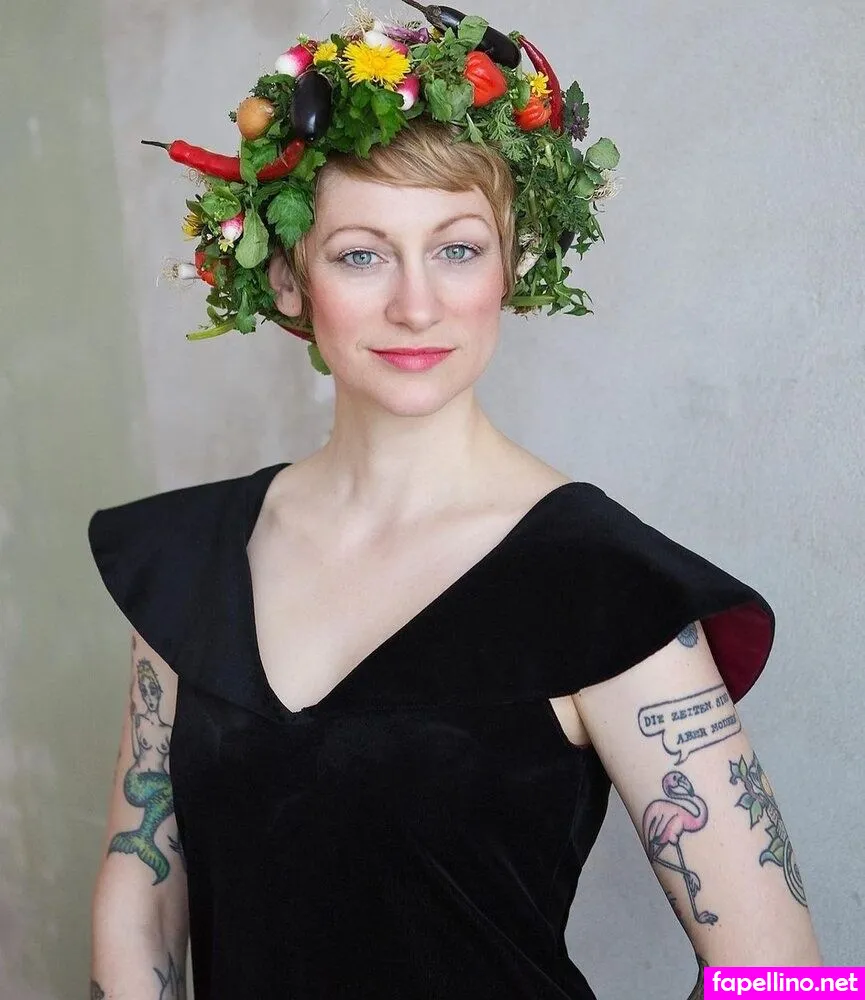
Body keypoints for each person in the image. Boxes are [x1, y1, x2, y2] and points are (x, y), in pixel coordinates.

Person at [87, 5, 821, 998]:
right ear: (290, 280)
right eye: (360, 254)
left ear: (513, 265)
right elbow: (141, 898)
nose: (416, 304)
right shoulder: (187, 560)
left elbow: (782, 973)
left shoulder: (604, 583)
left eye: (457, 249)